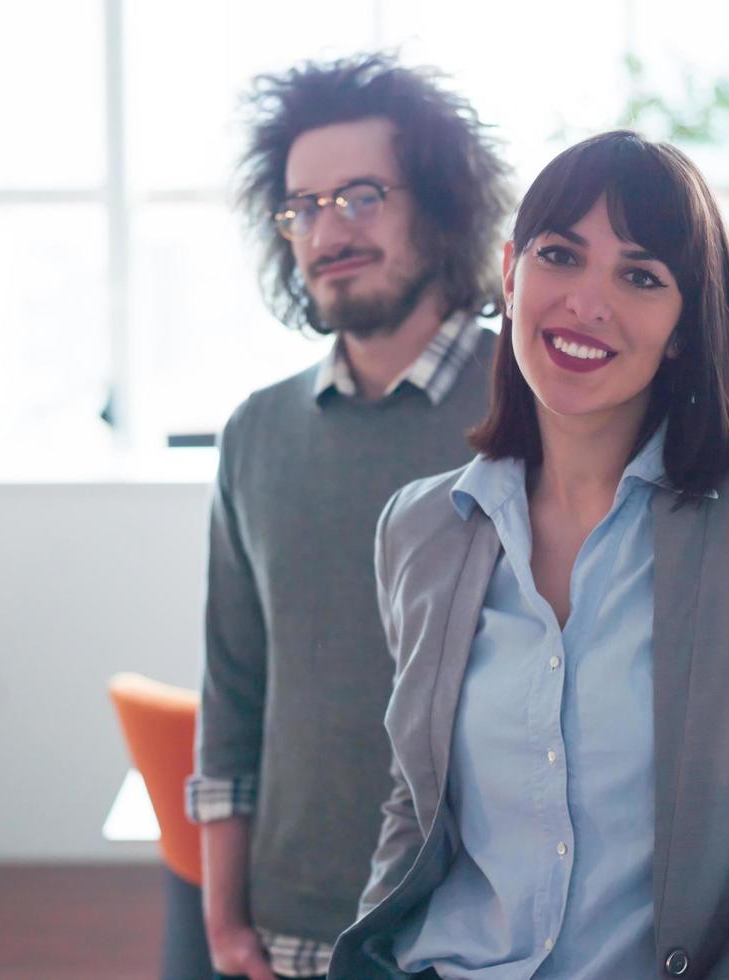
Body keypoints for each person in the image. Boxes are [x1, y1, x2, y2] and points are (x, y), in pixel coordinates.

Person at [329, 131, 729, 980]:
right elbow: (416, 808)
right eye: (560, 256)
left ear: (682, 326)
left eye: (639, 276)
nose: (586, 303)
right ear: (510, 273)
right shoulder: (423, 528)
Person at [187, 54, 511, 980]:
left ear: (440, 203)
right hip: (295, 926)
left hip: (494, 927)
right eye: (302, 207)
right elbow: (232, 689)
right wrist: (223, 920)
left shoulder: (540, 406)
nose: (328, 229)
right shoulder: (256, 432)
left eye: (361, 196)